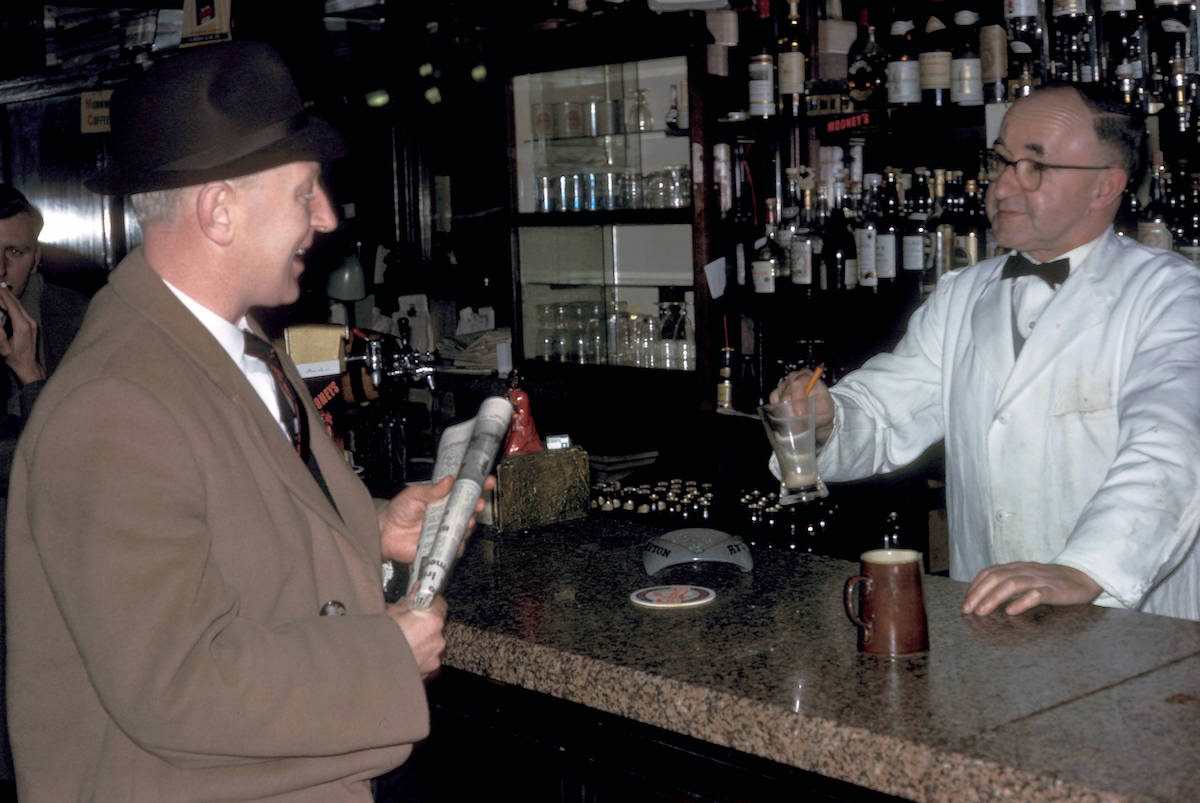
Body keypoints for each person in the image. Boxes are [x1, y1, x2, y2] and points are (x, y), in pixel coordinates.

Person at [6, 42, 488, 801]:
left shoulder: (232, 347)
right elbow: (176, 683)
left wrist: (372, 528)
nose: (325, 217)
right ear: (219, 210)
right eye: (304, 193)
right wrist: (384, 655)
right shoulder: (115, 405)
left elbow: (228, 519)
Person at [773, 84, 1200, 622]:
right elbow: (887, 411)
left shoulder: (1173, 295)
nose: (1002, 185)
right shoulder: (963, 293)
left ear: (1105, 188)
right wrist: (827, 418)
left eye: (1034, 167)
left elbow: (1174, 443)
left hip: (1129, 621)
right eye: (1000, 161)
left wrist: (1086, 568)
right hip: (990, 617)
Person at [0, 184, 90, 785]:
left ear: (36, 255)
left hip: (46, 554)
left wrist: (31, 375)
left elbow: (80, 468)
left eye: (13, 252)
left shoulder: (74, 319)